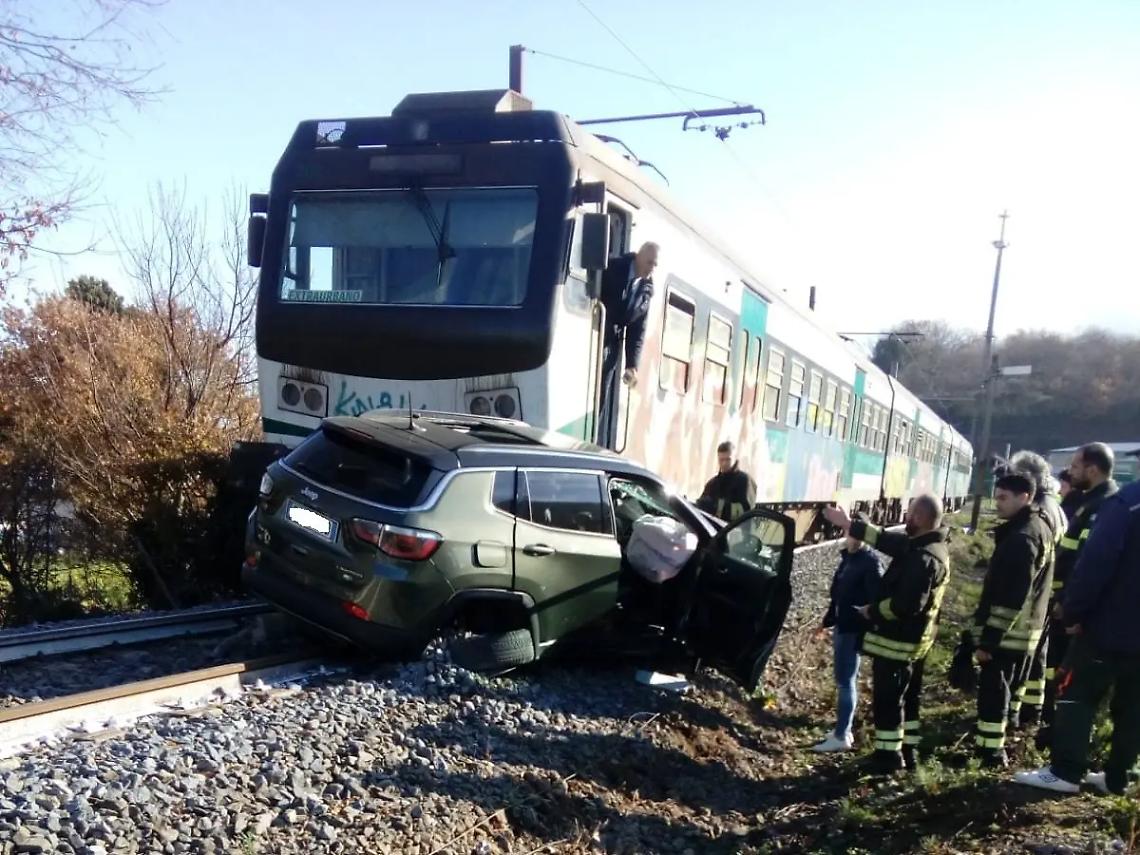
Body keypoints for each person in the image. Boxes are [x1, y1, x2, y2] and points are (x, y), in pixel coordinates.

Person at [1014, 477, 1140, 795]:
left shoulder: (1126, 504)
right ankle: (1117, 778)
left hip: (1110, 627)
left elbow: (1096, 563)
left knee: (1076, 693)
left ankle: (1066, 771)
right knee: (1133, 705)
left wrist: (1074, 612)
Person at [822, 495, 951, 773]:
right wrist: (848, 524)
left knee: (888, 703)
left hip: (899, 645)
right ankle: (907, 751)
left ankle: (887, 758)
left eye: (910, 513)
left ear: (919, 518)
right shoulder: (925, 546)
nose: (906, 517)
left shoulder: (924, 558)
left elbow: (907, 605)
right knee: (907, 701)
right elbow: (887, 540)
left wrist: (872, 611)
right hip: (913, 644)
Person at [1036, 443, 1119, 748]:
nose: (1070, 472)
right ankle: (1052, 721)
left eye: (1075, 467)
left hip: (1075, 611)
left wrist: (1071, 607)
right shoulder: (1088, 502)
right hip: (1065, 604)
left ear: (1092, 470)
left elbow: (1085, 565)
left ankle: (1063, 739)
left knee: (1070, 675)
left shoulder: (1103, 506)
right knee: (1056, 666)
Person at [970, 470, 1053, 767]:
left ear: (1025, 497)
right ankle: (993, 746)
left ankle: (990, 755)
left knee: (994, 696)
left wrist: (988, 641)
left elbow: (1010, 598)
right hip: (1026, 630)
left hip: (1009, 635)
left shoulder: (1022, 539)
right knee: (1007, 693)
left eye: (1003, 498)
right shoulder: (1039, 527)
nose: (998, 503)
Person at [1006, 451, 1066, 730]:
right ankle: (1032, 708)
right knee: (1038, 653)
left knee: (1024, 657)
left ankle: (1016, 712)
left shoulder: (1039, 511)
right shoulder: (1055, 506)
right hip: (1047, 593)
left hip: (1034, 596)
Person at [812, 528, 884, 753]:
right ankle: (845, 729)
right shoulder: (850, 559)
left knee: (846, 681)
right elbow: (838, 596)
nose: (853, 538)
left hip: (853, 629)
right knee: (843, 679)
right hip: (842, 625)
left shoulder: (870, 562)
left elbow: (876, 600)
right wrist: (826, 622)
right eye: (851, 533)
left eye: (858, 535)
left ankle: (842, 735)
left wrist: (864, 621)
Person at [597, 242, 658, 449]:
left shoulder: (647, 290)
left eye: (655, 264)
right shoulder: (613, 267)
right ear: (638, 256)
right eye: (649, 262)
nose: (651, 268)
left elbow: (637, 330)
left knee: (599, 399)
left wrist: (632, 365)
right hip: (595, 337)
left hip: (610, 349)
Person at [696, 441, 757, 522]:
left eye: (728, 459)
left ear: (735, 457)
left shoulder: (745, 480)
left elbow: (746, 512)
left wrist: (717, 507)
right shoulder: (712, 483)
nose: (724, 463)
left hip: (736, 529)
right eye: (721, 460)